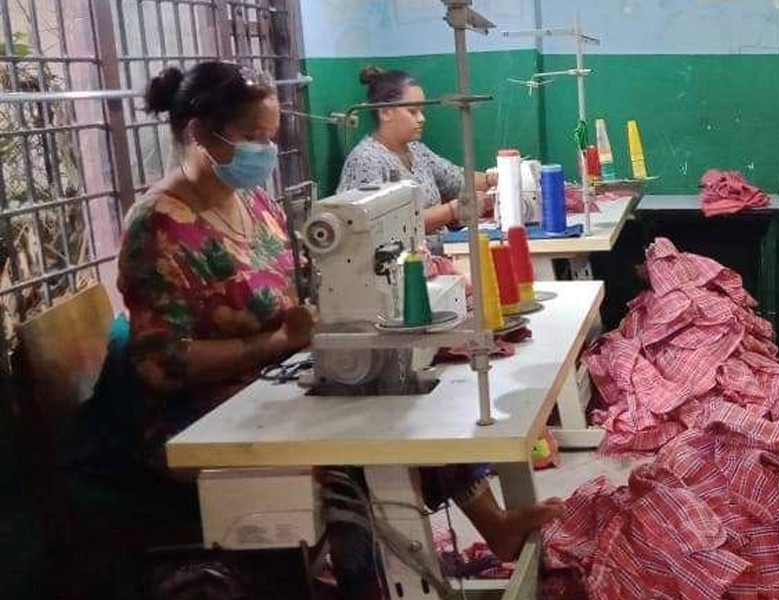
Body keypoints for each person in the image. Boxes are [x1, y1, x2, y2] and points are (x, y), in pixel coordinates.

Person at [121, 61, 560, 593]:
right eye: (252, 137)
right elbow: (160, 363)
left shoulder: (251, 203)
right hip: (205, 414)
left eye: (270, 137)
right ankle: (373, 586)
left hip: (275, 378)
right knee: (358, 465)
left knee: (408, 403)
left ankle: (493, 529)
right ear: (199, 134)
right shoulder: (157, 227)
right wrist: (277, 341)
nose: (265, 150)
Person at [338, 66, 496, 233]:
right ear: (385, 112)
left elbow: (457, 180)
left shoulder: (415, 150)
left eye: (422, 111)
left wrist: (494, 179)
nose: (422, 119)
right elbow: (387, 225)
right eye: (412, 112)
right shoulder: (366, 161)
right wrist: (452, 210)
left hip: (436, 251)